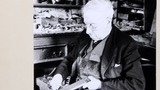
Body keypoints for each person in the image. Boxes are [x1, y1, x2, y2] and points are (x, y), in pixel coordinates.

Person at [50, 0, 145, 90]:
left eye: (93, 25)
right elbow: (70, 59)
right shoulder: (85, 35)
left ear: (108, 20)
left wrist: (101, 85)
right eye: (86, 24)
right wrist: (59, 76)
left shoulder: (126, 44)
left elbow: (137, 84)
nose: (87, 31)